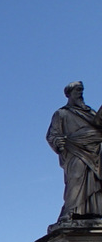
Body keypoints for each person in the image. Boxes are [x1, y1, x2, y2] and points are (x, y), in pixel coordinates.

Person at [46, 81, 102, 222]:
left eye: (81, 90)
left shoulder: (91, 112)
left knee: (96, 181)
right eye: (77, 90)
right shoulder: (62, 114)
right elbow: (52, 135)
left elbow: (98, 126)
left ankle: (95, 211)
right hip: (74, 151)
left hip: (93, 152)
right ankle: (70, 212)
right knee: (76, 178)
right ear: (68, 93)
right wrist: (58, 142)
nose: (80, 93)